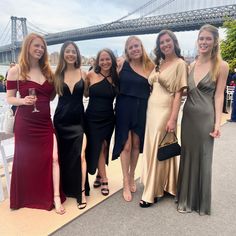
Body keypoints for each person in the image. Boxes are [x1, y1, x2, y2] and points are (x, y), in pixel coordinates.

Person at [6, 33, 65, 214]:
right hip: (26, 123)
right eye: (36, 46)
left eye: (42, 47)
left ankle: (55, 196)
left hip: (45, 123)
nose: (39, 49)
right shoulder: (16, 71)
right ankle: (27, 196)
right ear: (27, 47)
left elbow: (53, 95)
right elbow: (9, 98)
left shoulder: (48, 71)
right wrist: (23, 101)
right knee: (26, 161)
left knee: (53, 158)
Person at [177, 24, 229, 215]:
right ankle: (184, 198)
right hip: (188, 116)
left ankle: (198, 202)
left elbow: (219, 96)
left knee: (204, 157)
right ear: (197, 40)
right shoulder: (191, 64)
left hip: (205, 117)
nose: (204, 42)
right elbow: (182, 91)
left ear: (215, 41)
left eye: (208, 38)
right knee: (188, 155)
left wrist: (217, 123)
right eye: (201, 38)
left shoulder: (221, 65)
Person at [139, 30, 187, 207]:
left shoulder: (180, 64)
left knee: (159, 147)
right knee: (154, 147)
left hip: (165, 111)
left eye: (168, 41)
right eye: (161, 43)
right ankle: (167, 184)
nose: (165, 45)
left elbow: (178, 94)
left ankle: (152, 192)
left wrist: (173, 119)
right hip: (151, 110)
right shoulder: (159, 63)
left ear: (174, 42)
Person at [112, 36, 154, 202]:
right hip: (124, 107)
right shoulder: (122, 65)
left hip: (142, 108)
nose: (135, 49)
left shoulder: (150, 66)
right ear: (127, 51)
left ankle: (132, 176)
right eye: (131, 47)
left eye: (137, 46)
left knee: (137, 144)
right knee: (126, 145)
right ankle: (125, 181)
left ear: (141, 47)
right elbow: (109, 80)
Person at [53, 41, 89, 209]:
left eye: (73, 51)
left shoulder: (84, 74)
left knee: (80, 155)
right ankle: (64, 190)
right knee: (63, 157)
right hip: (61, 121)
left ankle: (80, 191)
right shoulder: (57, 75)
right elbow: (47, 95)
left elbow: (91, 92)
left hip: (78, 121)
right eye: (67, 51)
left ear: (77, 54)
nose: (70, 54)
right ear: (63, 54)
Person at [85, 48, 118, 196]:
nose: (105, 62)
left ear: (112, 60)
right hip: (92, 118)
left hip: (109, 118)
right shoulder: (90, 75)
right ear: (98, 61)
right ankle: (104, 178)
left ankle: (99, 174)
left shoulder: (116, 77)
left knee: (104, 146)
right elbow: (84, 93)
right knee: (98, 147)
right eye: (102, 59)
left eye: (108, 59)